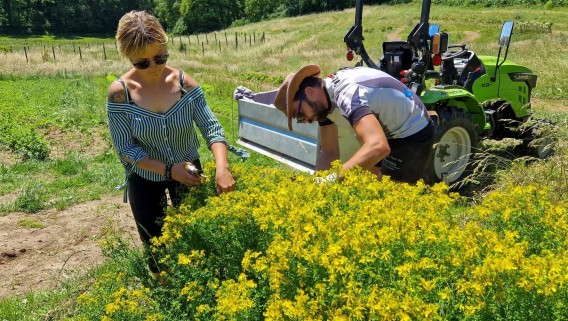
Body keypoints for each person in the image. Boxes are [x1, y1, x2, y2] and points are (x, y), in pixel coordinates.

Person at [106, 10, 235, 279]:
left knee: (197, 233)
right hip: (144, 177)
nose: (154, 66)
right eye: (142, 62)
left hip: (189, 172)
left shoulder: (184, 84)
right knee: (154, 241)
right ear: (127, 55)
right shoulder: (121, 93)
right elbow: (127, 149)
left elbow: (212, 128)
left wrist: (222, 168)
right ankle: (165, 288)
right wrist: (167, 170)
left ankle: (199, 283)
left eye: (160, 57)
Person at [273, 64, 435, 183]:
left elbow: (378, 146)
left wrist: (333, 180)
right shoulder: (323, 104)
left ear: (309, 92)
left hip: (412, 131)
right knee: (368, 185)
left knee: (388, 199)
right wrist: (316, 188)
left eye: (299, 114)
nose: (305, 121)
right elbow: (329, 152)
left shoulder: (347, 94)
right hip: (386, 130)